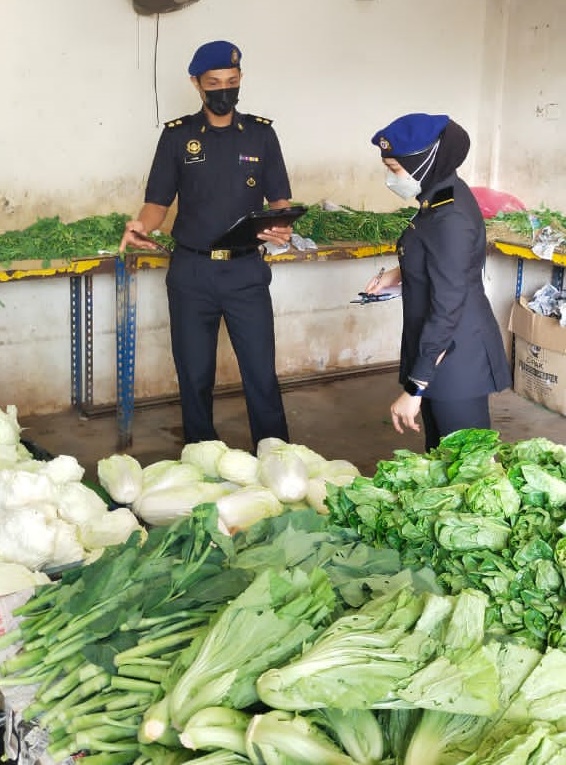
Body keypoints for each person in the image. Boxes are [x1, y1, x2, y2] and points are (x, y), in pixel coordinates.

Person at [120, 40, 293, 450]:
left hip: (246, 271)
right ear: (197, 84)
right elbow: (156, 205)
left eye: (231, 82)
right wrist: (140, 226)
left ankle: (275, 454)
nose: (224, 90)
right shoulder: (177, 137)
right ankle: (201, 452)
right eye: (214, 83)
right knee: (194, 373)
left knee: (260, 372)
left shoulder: (261, 135)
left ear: (240, 81)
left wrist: (281, 228)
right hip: (192, 272)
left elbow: (281, 202)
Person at [365, 112, 512, 451]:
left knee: (466, 468)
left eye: (394, 170)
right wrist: (398, 275)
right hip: (439, 354)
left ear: (424, 163)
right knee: (440, 459)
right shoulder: (436, 198)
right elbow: (439, 260)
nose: (391, 179)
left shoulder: (451, 217)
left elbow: (447, 308)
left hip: (456, 359)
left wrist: (415, 387)